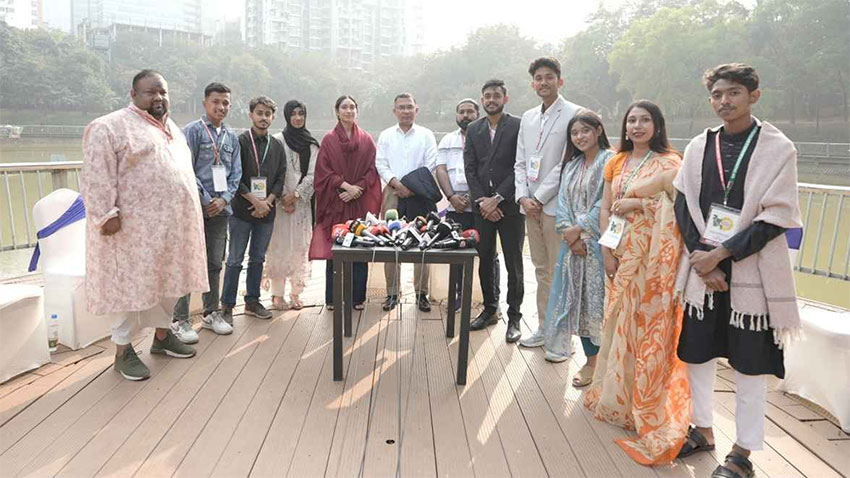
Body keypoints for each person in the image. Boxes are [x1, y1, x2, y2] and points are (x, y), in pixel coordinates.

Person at [674, 64, 802, 478]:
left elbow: (777, 217)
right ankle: (702, 428)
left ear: (753, 96)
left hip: (752, 269)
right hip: (703, 271)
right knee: (697, 355)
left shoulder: (778, 148)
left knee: (749, 363)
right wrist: (702, 259)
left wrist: (722, 254)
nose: (724, 101)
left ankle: (742, 452)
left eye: (733, 93)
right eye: (717, 94)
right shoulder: (699, 145)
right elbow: (682, 204)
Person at [80, 69, 207, 381]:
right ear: (133, 94)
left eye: (162, 91)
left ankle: (162, 337)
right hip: (130, 232)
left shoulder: (172, 128)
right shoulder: (110, 126)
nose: (158, 97)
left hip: (171, 229)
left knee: (170, 282)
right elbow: (96, 175)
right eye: (150, 92)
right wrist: (106, 214)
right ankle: (122, 351)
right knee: (127, 288)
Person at [583, 100, 690, 465]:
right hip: (622, 253)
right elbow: (605, 208)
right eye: (632, 120)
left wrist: (638, 205)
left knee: (647, 327)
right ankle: (616, 397)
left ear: (657, 125)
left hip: (653, 260)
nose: (637, 126)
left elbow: (678, 210)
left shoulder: (671, 163)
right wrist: (606, 251)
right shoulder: (617, 161)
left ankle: (644, 401)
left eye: (645, 120)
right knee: (619, 323)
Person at [515, 57, 584, 348]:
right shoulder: (528, 117)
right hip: (530, 208)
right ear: (533, 84)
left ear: (560, 80)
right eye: (538, 78)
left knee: (560, 271)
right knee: (541, 269)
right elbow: (520, 161)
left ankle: (562, 336)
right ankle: (544, 327)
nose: (543, 82)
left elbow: (567, 161)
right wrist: (522, 197)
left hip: (557, 206)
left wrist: (539, 197)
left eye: (549, 77)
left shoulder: (574, 114)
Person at [542, 109, 613, 379]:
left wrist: (580, 230)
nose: (580, 137)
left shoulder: (611, 161)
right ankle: (591, 363)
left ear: (598, 130)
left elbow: (606, 202)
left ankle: (608, 365)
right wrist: (569, 235)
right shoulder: (571, 165)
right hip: (573, 247)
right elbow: (562, 203)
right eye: (574, 133)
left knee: (600, 303)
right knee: (580, 304)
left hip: (601, 244)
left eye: (585, 130)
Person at [171, 82, 240, 344]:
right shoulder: (192, 131)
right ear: (205, 103)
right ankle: (180, 319)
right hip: (194, 209)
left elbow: (236, 173)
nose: (221, 107)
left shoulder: (231, 136)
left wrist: (224, 200)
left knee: (215, 262)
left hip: (221, 211)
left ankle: (211, 313)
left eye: (225, 103)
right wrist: (207, 199)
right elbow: (185, 168)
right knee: (188, 262)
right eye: (216, 101)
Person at [464, 79, 525, 343]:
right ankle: (490, 309)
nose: (491, 100)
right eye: (487, 96)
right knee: (485, 258)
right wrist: (483, 201)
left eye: (496, 95)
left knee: (514, 262)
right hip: (482, 208)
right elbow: (470, 168)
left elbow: (519, 165)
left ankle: (515, 317)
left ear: (505, 98)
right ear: (482, 100)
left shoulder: (518, 126)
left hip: (510, 207)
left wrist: (498, 198)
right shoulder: (474, 128)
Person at [308, 95, 382, 310]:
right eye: (344, 107)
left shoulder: (366, 139)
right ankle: (333, 298)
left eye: (352, 107)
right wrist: (345, 186)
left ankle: (357, 298)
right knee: (336, 249)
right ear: (337, 111)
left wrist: (357, 188)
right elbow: (323, 172)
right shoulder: (329, 140)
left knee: (360, 246)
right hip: (336, 201)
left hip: (359, 201)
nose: (349, 111)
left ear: (357, 111)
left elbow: (372, 170)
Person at [220, 96, 287, 322]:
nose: (263, 118)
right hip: (241, 210)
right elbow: (234, 176)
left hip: (267, 212)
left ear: (273, 117)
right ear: (251, 115)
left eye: (268, 114)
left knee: (257, 258)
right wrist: (255, 201)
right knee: (235, 259)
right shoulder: (240, 141)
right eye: (259, 113)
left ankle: (252, 301)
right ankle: (227, 305)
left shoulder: (276, 145)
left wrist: (267, 202)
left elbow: (280, 177)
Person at [435, 98, 500, 311]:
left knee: (488, 254)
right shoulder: (447, 140)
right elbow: (441, 169)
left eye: (470, 111)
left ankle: (493, 301)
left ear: (478, 114)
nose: (465, 115)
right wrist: (451, 197)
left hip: (482, 206)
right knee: (456, 252)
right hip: (455, 207)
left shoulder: (487, 137)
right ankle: (458, 296)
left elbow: (489, 170)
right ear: (456, 115)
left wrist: (475, 197)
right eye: (461, 111)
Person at [376, 93, 438, 312]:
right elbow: (380, 164)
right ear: (394, 111)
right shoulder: (386, 135)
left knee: (422, 241)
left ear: (416, 110)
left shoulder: (426, 135)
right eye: (401, 107)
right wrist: (397, 183)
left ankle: (421, 293)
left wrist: (411, 187)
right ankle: (392, 292)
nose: (405, 111)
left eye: (409, 107)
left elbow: (431, 164)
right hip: (393, 192)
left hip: (420, 194)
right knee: (391, 240)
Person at [266, 100, 319, 311]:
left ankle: (295, 292)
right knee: (278, 247)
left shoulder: (311, 144)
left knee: (299, 247)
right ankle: (277, 295)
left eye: (301, 113)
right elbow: (270, 172)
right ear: (287, 116)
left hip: (302, 205)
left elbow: (314, 175)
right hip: (279, 204)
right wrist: (282, 197)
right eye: (293, 114)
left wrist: (296, 195)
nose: (297, 118)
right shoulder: (277, 141)